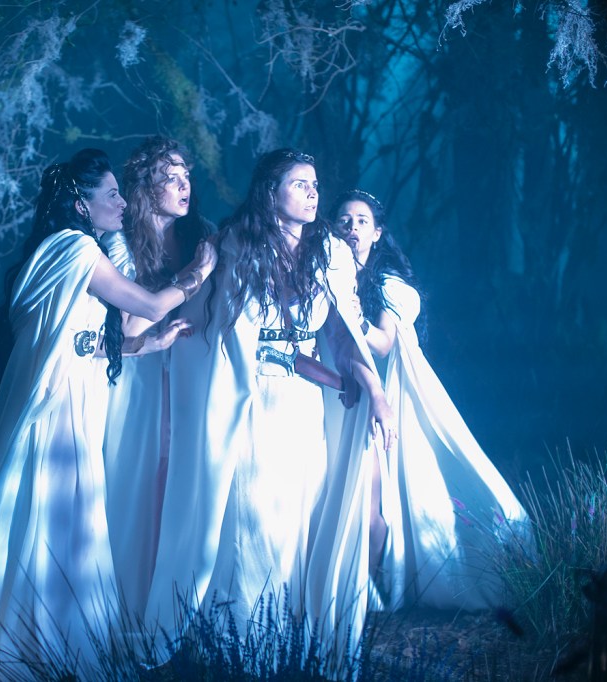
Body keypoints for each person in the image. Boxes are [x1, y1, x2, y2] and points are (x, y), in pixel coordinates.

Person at [0, 148, 217, 676]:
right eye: (111, 194)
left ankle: (53, 642)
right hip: (59, 405)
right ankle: (22, 646)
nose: (122, 202)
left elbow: (83, 341)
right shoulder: (75, 248)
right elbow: (149, 306)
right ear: (81, 204)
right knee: (48, 511)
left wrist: (146, 346)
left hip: (77, 398)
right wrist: (199, 271)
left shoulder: (72, 249)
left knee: (67, 520)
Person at [143, 149, 395, 674]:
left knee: (300, 524)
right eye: (299, 183)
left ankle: (290, 653)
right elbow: (229, 338)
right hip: (250, 405)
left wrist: (373, 388)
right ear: (269, 191)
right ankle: (237, 652)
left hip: (303, 411)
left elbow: (340, 337)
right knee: (254, 523)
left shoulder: (331, 253)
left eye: (315, 184)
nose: (313, 193)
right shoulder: (233, 246)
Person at [332, 189, 528, 611]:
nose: (352, 228)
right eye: (344, 221)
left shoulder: (389, 285)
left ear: (378, 233)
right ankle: (357, 592)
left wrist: (352, 313)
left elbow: (382, 343)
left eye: (362, 221)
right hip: (344, 393)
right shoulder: (331, 277)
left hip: (391, 398)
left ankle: (374, 594)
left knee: (381, 496)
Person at [101, 136, 214, 620]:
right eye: (171, 177)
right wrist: (190, 275)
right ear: (146, 186)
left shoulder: (202, 237)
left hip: (191, 379)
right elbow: (130, 327)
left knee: (182, 487)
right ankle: (126, 610)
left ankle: (175, 610)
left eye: (187, 175)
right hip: (137, 381)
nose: (184, 185)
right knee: (136, 483)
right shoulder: (120, 241)